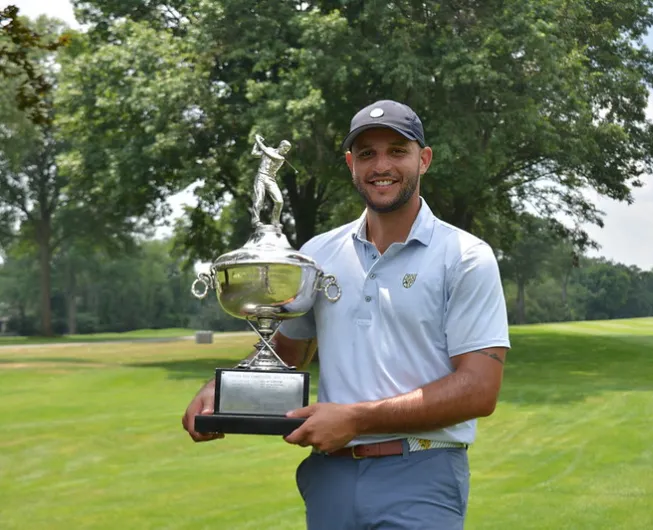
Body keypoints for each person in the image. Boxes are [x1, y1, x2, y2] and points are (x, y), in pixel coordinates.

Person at [183, 99, 511, 529]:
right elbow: (286, 350)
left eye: (397, 150)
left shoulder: (465, 256)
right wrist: (224, 392)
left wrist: (355, 418)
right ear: (350, 163)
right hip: (330, 476)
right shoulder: (318, 254)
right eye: (367, 153)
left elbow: (478, 390)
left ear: (424, 159)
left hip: (421, 474)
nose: (382, 165)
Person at [249, 135, 291, 229]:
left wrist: (257, 140)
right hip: (260, 176)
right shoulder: (269, 149)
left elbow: (266, 151)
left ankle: (275, 221)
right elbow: (254, 153)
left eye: (287, 150)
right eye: (285, 149)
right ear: (281, 146)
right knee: (259, 199)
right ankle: (255, 221)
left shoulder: (281, 158)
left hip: (271, 179)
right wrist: (257, 143)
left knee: (279, 201)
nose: (286, 152)